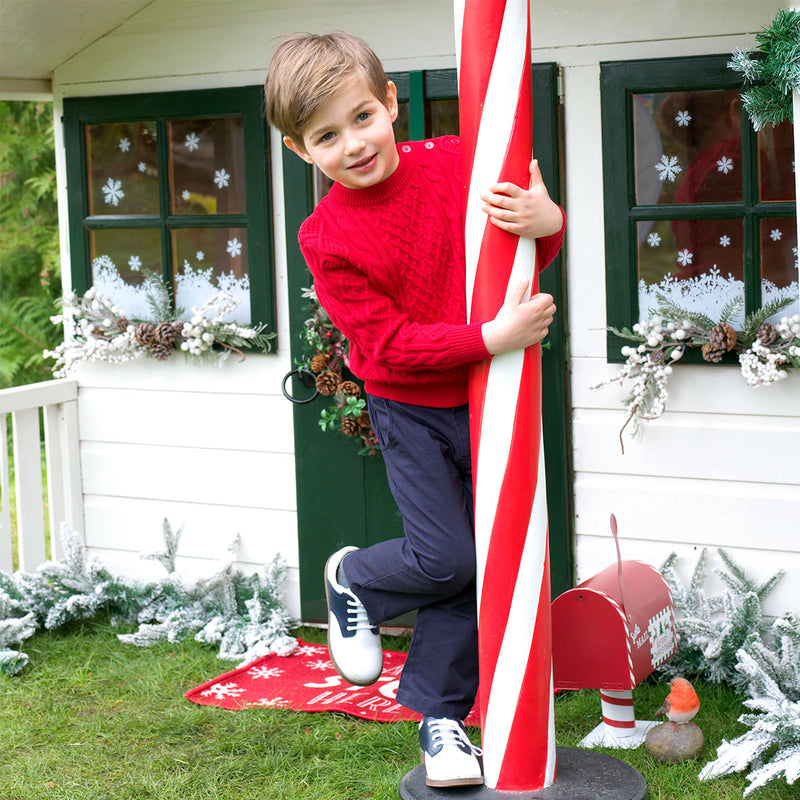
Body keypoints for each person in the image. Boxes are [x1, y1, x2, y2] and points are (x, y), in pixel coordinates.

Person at [265, 31, 565, 788]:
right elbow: (390, 346)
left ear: (392, 102)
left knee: (479, 566)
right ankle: (357, 578)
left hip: (487, 397)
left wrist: (546, 223)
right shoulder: (324, 237)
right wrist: (492, 337)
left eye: (362, 118)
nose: (353, 144)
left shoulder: (464, 162)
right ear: (304, 152)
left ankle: (440, 725)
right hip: (412, 407)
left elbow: (523, 246)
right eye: (327, 137)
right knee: (447, 558)